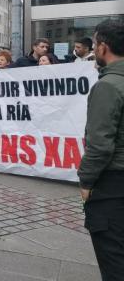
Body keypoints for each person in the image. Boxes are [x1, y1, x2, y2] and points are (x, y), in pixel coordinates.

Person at [78, 20, 124, 280]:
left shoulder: (108, 86)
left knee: (114, 258)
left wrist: (86, 181)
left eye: (95, 45)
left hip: (113, 184)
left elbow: (100, 144)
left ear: (104, 47)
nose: (94, 51)